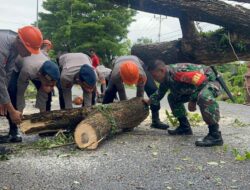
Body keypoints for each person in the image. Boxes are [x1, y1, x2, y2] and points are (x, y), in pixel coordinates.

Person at [144, 60, 223, 147]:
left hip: (211, 82)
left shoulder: (179, 72)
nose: (154, 79)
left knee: (204, 96)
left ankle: (215, 135)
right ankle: (184, 128)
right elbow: (160, 92)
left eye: (154, 76)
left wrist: (193, 100)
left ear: (162, 70)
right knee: (172, 97)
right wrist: (149, 101)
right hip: (195, 86)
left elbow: (202, 81)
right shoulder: (165, 77)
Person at [0, 26, 43, 153]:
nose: (29, 53)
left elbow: (7, 74)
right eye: (28, 49)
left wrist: (3, 101)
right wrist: (12, 110)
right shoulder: (2, 47)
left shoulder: (14, 49)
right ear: (19, 40)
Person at [103, 55, 168, 130]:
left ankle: (156, 120)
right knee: (109, 91)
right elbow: (122, 94)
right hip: (118, 65)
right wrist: (126, 116)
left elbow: (140, 94)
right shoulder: (116, 76)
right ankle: (105, 119)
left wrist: (137, 113)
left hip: (138, 63)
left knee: (152, 89)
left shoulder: (142, 75)